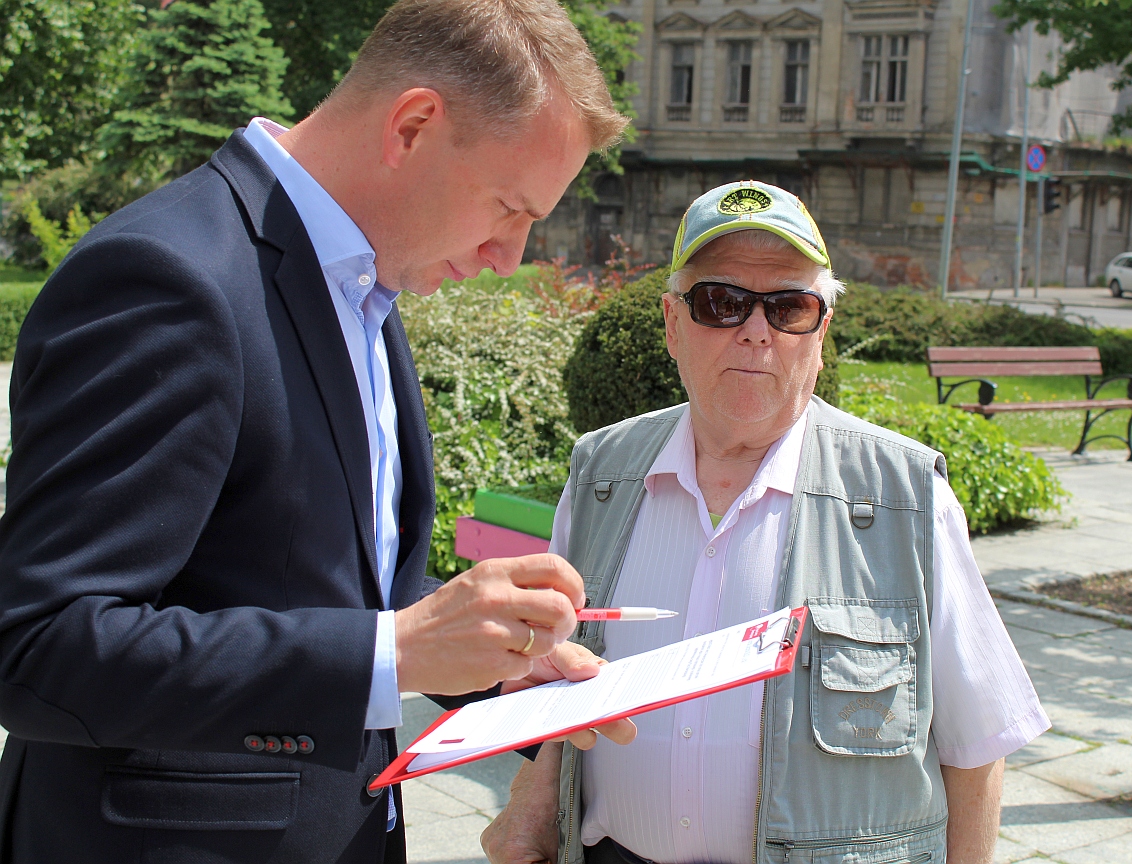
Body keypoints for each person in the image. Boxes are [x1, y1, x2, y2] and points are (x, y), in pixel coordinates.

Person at [0, 1, 635, 861]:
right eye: (509, 207)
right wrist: (396, 650)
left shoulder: (364, 282)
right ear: (412, 125)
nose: (510, 257)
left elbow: (305, 587)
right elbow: (39, 646)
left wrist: (480, 659)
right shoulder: (166, 280)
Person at [481, 181, 1051, 864]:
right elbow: (561, 675)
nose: (756, 331)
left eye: (788, 306)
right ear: (670, 322)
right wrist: (536, 797)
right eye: (721, 303)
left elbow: (977, 743)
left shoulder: (906, 499)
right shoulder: (601, 472)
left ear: (821, 332)